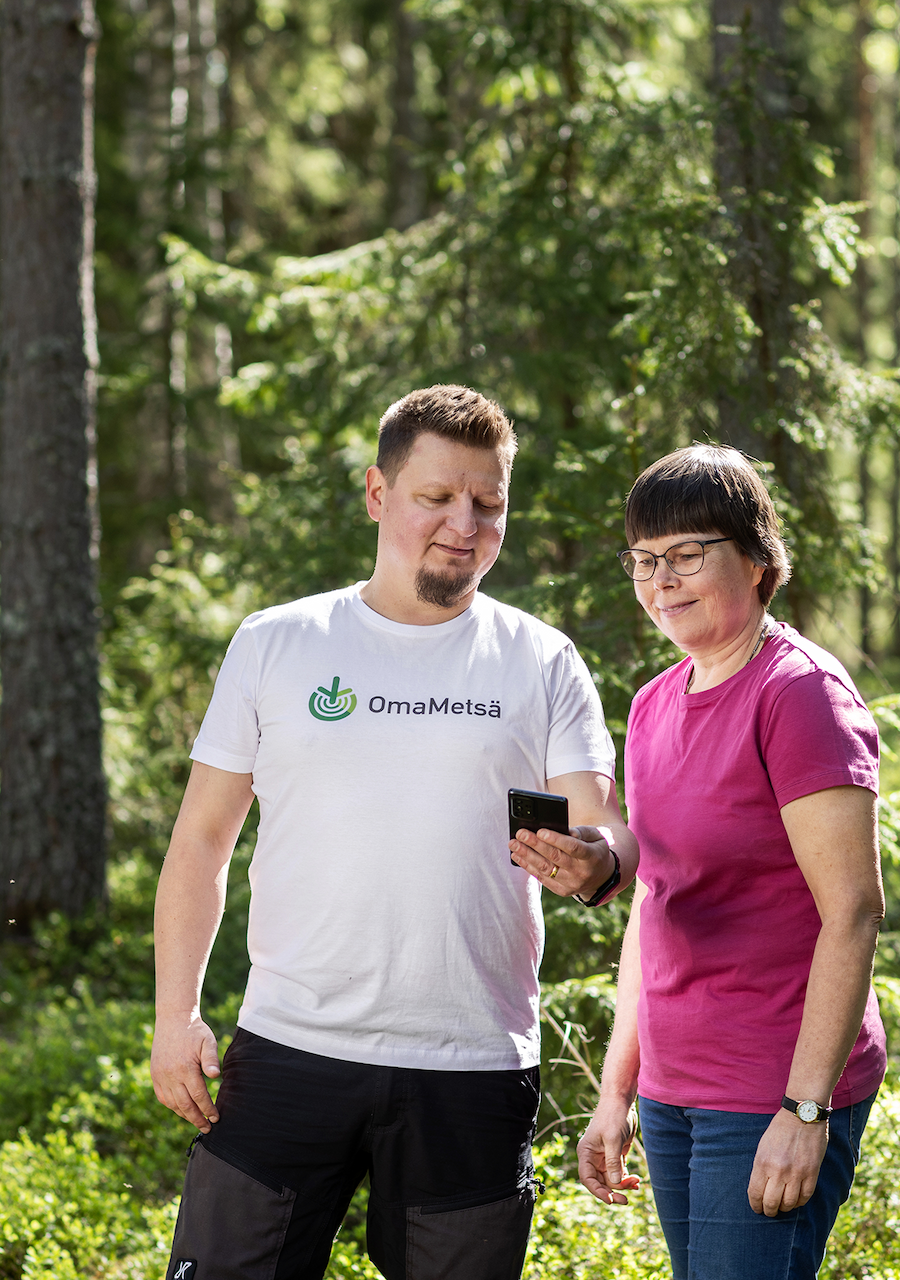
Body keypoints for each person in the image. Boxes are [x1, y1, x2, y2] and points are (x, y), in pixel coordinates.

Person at [148, 385, 638, 1280]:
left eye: (488, 503)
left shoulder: (541, 659)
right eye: (436, 497)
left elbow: (605, 828)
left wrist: (597, 864)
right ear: (378, 494)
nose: (465, 524)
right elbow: (201, 845)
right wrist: (175, 1015)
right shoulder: (277, 643)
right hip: (290, 1047)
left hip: (473, 1065)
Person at [565, 444, 886, 1280]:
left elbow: (853, 911)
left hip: (772, 1086)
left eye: (686, 554)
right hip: (674, 1090)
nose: (661, 581)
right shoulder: (653, 703)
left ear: (756, 558)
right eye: (644, 560)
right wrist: (616, 1091)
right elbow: (655, 903)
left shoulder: (799, 693)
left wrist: (805, 1109)